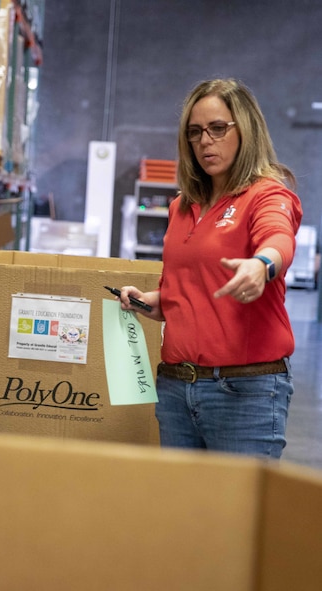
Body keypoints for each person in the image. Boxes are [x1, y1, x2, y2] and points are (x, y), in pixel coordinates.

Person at [118, 78, 302, 457]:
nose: (205, 141)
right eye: (195, 132)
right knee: (183, 515)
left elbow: (278, 237)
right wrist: (156, 302)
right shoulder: (182, 206)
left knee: (237, 515)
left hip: (243, 393)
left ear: (245, 129)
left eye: (218, 128)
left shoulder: (267, 194)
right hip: (175, 389)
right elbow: (188, 289)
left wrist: (261, 264)